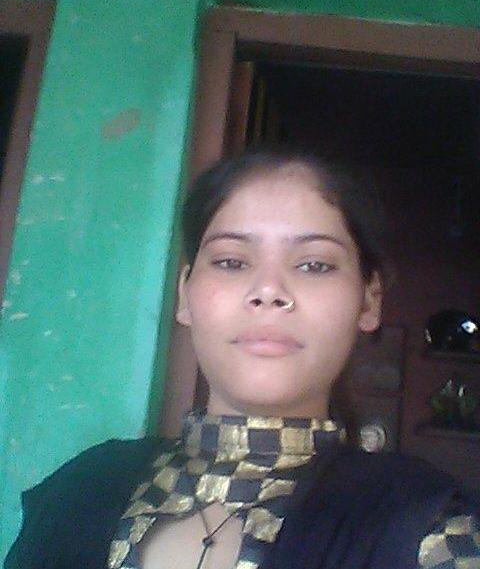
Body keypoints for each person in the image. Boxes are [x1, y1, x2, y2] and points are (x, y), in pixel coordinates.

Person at [5, 149, 479, 569]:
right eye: (231, 261)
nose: (268, 290)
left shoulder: (428, 529)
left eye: (314, 264)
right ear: (185, 294)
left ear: (368, 299)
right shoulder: (81, 489)